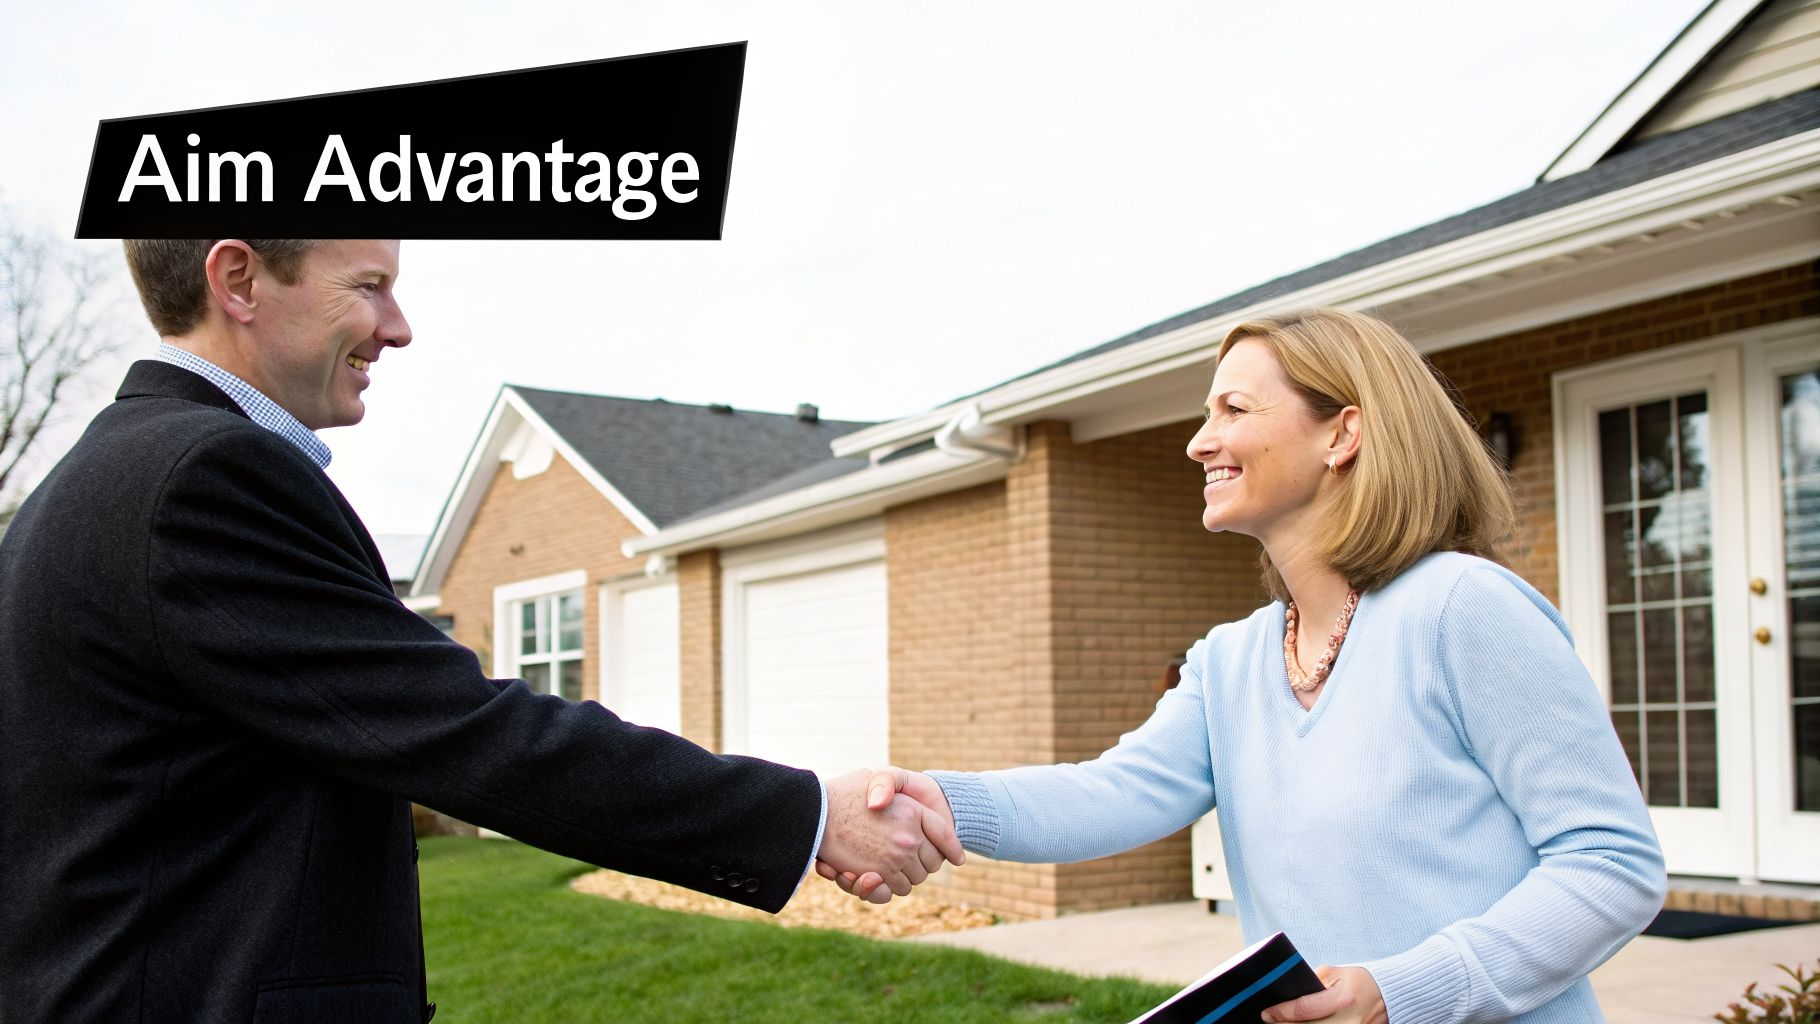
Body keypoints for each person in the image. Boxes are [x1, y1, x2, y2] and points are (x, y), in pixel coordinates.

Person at [0, 238, 960, 1024]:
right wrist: (806, 817)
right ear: (238, 277)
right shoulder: (202, 481)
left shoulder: (78, 491)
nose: (399, 326)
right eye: (369, 286)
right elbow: (470, 735)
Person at [834, 309, 1667, 1023]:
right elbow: (1115, 792)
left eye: (1234, 408)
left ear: (1343, 433)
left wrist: (1396, 991)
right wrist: (936, 800)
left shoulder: (1461, 606)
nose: (1201, 443)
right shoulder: (1231, 660)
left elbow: (1611, 864)